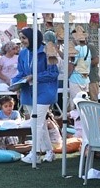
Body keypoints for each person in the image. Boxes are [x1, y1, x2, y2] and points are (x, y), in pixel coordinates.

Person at [12, 27, 62, 166]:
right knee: (40, 123)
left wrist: (34, 77)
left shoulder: (48, 50)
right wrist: (15, 83)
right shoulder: (23, 54)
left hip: (45, 91)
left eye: (24, 38)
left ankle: (35, 152)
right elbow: (21, 72)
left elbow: (53, 73)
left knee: (36, 122)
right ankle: (49, 152)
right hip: (28, 91)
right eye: (21, 38)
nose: (22, 41)